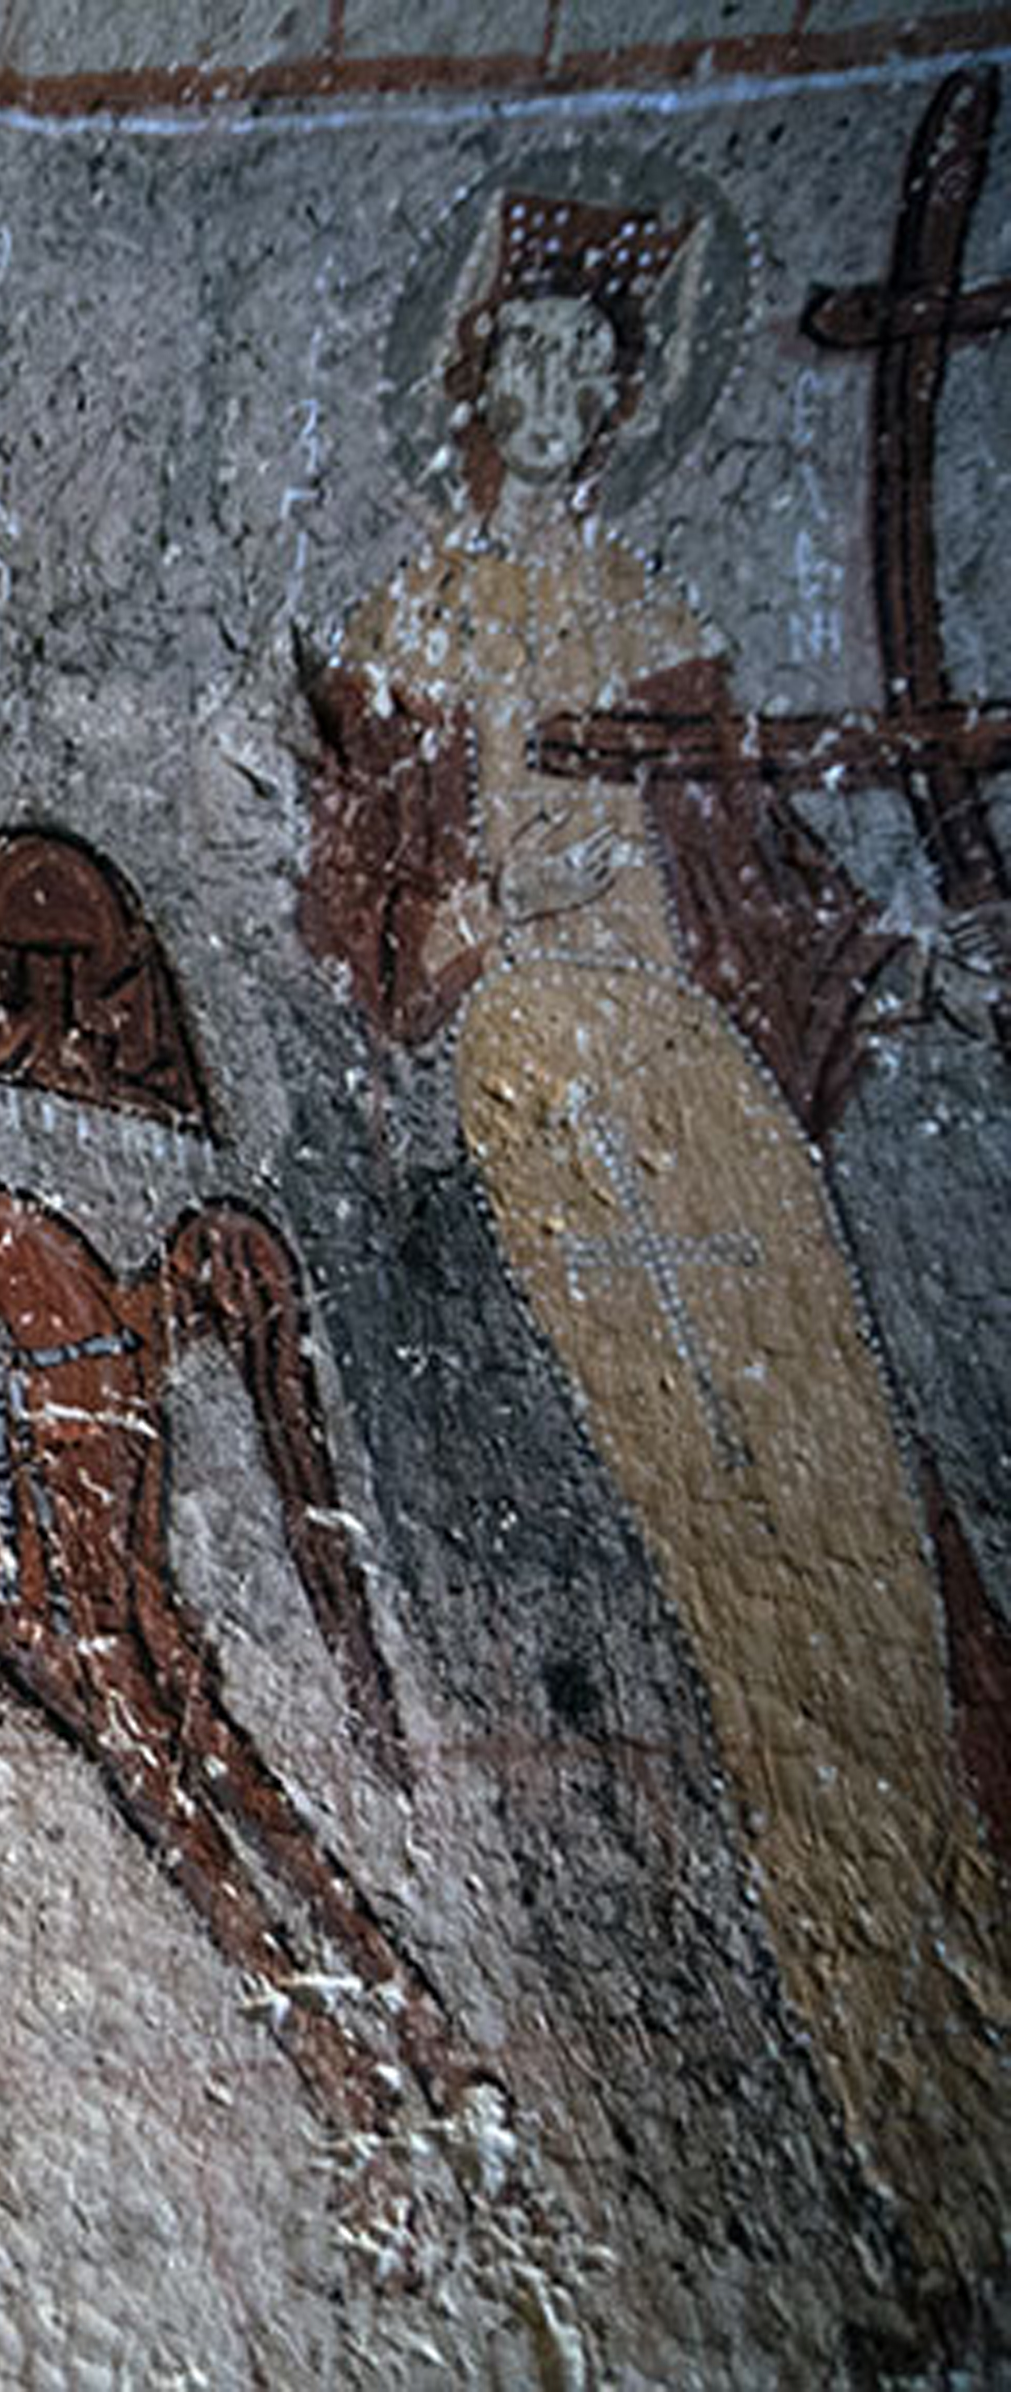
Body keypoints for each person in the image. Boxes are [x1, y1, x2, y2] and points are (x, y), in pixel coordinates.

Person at [301, 190, 1011, 2278]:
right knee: (727, 1560)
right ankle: (905, 2122)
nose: (562, 393)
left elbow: (769, 882)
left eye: (595, 369)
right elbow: (360, 905)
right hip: (546, 1065)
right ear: (475, 392)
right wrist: (460, 930)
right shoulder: (411, 619)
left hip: (702, 1069)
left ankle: (974, 2064)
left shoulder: (649, 614)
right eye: (529, 359)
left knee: (863, 1544)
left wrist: (904, 971)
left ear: (618, 408)